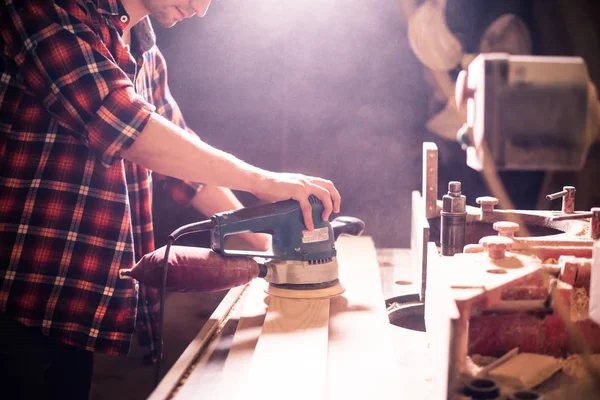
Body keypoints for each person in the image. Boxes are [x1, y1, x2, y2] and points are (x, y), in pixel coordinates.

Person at [0, 0, 341, 398]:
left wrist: (274, 248)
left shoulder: (144, 49)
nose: (201, 9)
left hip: (67, 308)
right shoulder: (42, 11)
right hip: (14, 302)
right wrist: (261, 181)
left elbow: (182, 165)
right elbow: (126, 127)